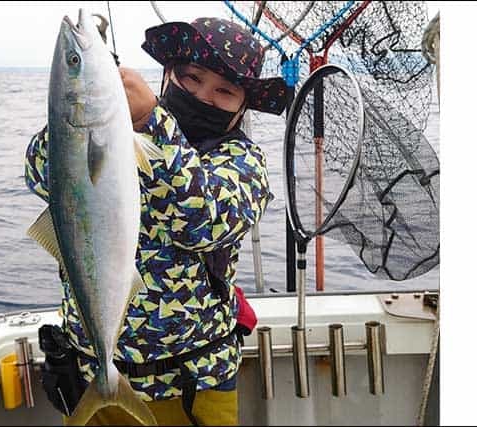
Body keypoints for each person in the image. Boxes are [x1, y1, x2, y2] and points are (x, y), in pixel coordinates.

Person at [24, 16, 286, 426]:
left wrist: (155, 124)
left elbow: (204, 223)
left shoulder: (242, 163)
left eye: (224, 91)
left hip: (191, 390)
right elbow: (42, 175)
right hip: (90, 375)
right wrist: (87, 111)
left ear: (242, 106)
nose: (203, 96)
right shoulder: (116, 133)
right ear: (167, 76)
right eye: (191, 78)